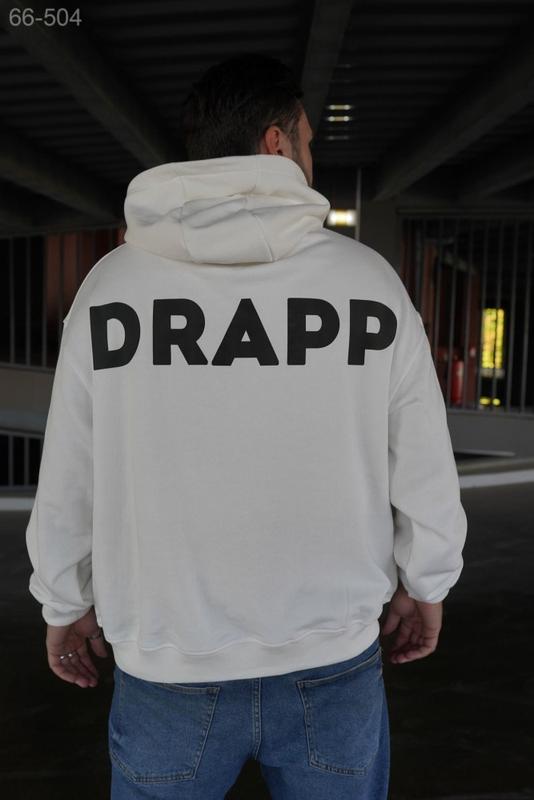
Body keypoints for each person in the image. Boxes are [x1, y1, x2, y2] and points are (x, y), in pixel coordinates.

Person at [25, 52, 468, 799]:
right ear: (275, 142)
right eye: (308, 142)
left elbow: (70, 469)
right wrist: (428, 581)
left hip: (167, 666)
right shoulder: (366, 283)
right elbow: (422, 461)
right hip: (332, 661)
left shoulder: (112, 290)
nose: (311, 160)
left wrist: (64, 601)